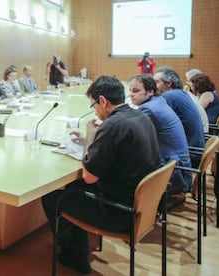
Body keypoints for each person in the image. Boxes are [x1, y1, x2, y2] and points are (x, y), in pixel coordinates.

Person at [42, 76, 160, 274]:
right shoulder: (140, 116)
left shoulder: (112, 126)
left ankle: (75, 256)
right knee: (72, 188)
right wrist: (98, 139)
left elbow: (89, 177)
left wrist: (90, 140)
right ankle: (79, 249)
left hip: (119, 211)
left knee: (52, 198)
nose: (94, 110)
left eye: (93, 105)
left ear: (103, 101)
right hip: (141, 205)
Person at [128, 74, 192, 197]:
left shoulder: (148, 109)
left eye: (136, 91)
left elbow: (133, 137)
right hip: (180, 165)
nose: (131, 94)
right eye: (130, 90)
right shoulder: (159, 101)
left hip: (174, 173)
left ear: (150, 91)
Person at [154, 66, 205, 168]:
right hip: (195, 150)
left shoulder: (169, 96)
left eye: (156, 82)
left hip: (188, 156)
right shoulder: (182, 93)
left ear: (168, 83)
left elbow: (155, 123)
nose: (153, 86)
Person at [183, 68, 209, 133]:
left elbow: (195, 111)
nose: (188, 83)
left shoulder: (206, 94)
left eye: (189, 81)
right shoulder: (200, 94)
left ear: (197, 82)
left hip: (204, 130)